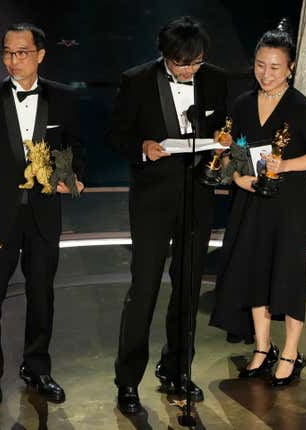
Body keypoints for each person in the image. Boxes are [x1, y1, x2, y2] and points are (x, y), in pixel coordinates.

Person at [107, 16, 228, 414]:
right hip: (152, 200)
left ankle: (177, 369)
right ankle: (127, 382)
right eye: (181, 64)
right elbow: (117, 135)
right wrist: (143, 146)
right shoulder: (137, 80)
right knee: (143, 289)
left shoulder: (215, 80)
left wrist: (222, 147)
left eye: (195, 63)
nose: (190, 70)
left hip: (198, 198)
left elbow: (224, 129)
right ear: (164, 56)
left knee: (189, 287)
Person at [0, 23, 84, 405]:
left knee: (42, 296)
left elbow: (74, 149)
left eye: (23, 52)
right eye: (8, 53)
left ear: (40, 55)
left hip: (44, 216)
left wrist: (74, 178)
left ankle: (37, 368)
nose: (14, 60)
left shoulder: (63, 98)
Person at [210, 25, 306, 387]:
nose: (266, 73)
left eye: (275, 67)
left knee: (288, 276)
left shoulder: (302, 107)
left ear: (290, 68)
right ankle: (262, 347)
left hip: (290, 204)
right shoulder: (243, 103)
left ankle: (290, 351)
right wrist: (236, 177)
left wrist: (286, 165)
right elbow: (234, 150)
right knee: (255, 271)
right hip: (251, 201)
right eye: (261, 65)